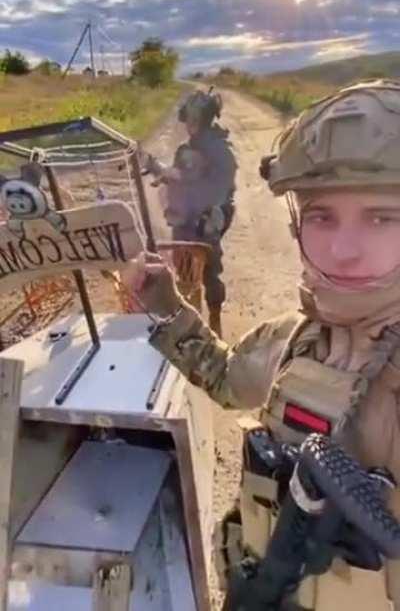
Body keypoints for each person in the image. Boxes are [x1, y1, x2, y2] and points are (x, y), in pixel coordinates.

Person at [130, 79, 400, 609]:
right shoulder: (293, 337)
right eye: (322, 217)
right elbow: (228, 379)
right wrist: (167, 308)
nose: (344, 251)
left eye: (382, 218)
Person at [142, 88, 237, 336]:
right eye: (190, 119)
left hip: (207, 222)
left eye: (197, 119)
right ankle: (195, 328)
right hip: (184, 219)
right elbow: (174, 178)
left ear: (206, 118)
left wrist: (180, 177)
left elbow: (219, 190)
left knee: (210, 272)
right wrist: (158, 171)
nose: (192, 124)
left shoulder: (221, 151)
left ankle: (214, 322)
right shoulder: (186, 150)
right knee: (186, 277)